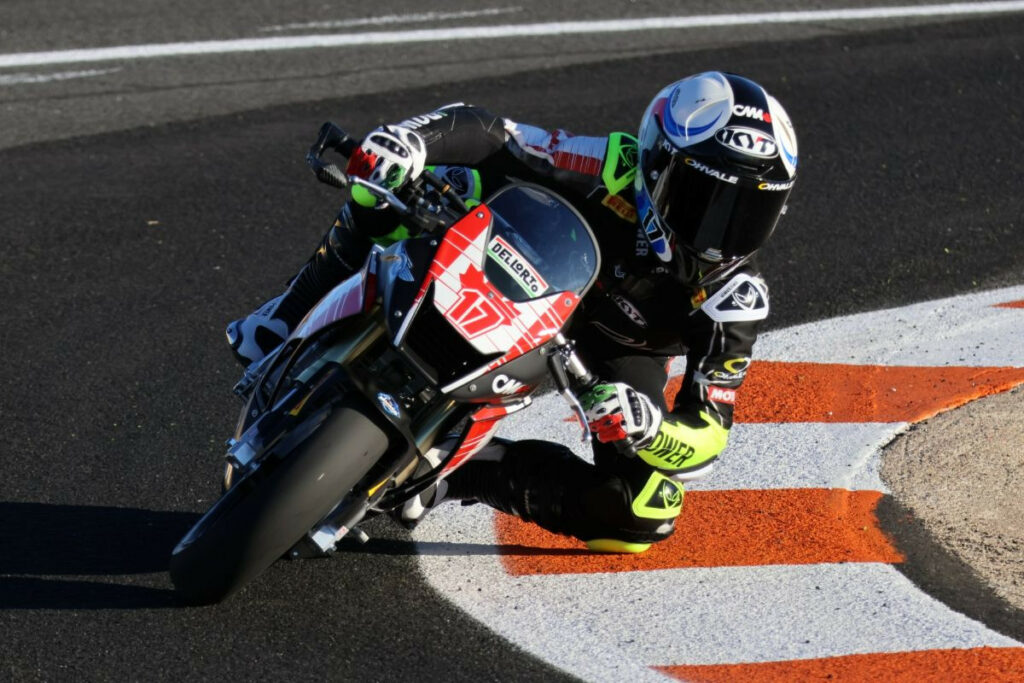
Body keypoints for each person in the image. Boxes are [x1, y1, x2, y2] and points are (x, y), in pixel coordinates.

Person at [226, 71, 798, 553]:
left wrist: (651, 431)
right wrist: (409, 142)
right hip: (529, 256)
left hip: (612, 354)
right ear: (655, 163)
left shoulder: (735, 297)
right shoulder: (610, 164)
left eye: (751, 212)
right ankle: (288, 314)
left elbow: (708, 436)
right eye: (706, 200)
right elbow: (491, 132)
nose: (721, 234)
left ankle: (448, 475)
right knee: (406, 183)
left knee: (646, 513)